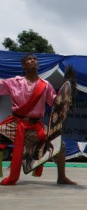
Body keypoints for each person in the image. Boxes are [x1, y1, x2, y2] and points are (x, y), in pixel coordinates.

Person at [0, 53, 76, 185]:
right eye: (29, 59)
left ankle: (61, 177)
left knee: (60, 146)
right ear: (24, 65)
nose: (33, 61)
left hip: (35, 127)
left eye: (35, 59)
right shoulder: (13, 82)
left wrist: (66, 96)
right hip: (14, 123)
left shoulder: (45, 85)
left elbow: (55, 103)